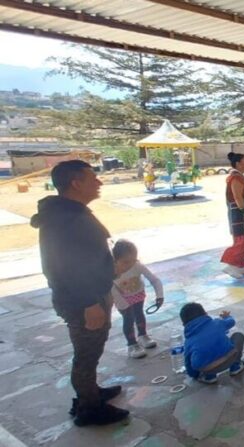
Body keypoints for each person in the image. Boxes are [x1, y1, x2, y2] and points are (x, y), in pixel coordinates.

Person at [31, 159, 128, 426]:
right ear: (75, 183)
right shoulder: (66, 219)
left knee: (91, 351)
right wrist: (88, 303)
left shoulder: (70, 212)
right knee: (85, 355)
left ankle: (91, 392)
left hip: (91, 295)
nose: (99, 182)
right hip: (83, 300)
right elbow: (64, 267)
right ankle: (89, 409)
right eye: (92, 177)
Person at [110, 240, 163, 359]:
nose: (129, 265)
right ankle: (132, 344)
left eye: (133, 260)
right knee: (128, 319)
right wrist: (124, 305)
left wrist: (159, 296)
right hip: (122, 299)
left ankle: (143, 336)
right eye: (125, 262)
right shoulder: (110, 272)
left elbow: (154, 280)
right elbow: (112, 290)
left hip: (138, 295)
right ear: (115, 260)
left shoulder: (137, 266)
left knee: (139, 314)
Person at [180, 303, 244, 384]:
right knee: (238, 335)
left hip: (208, 368)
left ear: (184, 324)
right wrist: (227, 316)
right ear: (205, 314)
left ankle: (209, 377)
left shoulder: (188, 341)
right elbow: (231, 322)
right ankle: (235, 366)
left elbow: (188, 362)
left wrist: (194, 375)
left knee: (198, 356)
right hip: (230, 358)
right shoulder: (217, 323)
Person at [221, 152, 244, 279]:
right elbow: (237, 197)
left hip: (243, 212)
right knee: (242, 240)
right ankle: (231, 265)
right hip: (238, 213)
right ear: (238, 164)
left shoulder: (240, 176)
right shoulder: (236, 178)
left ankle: (241, 265)